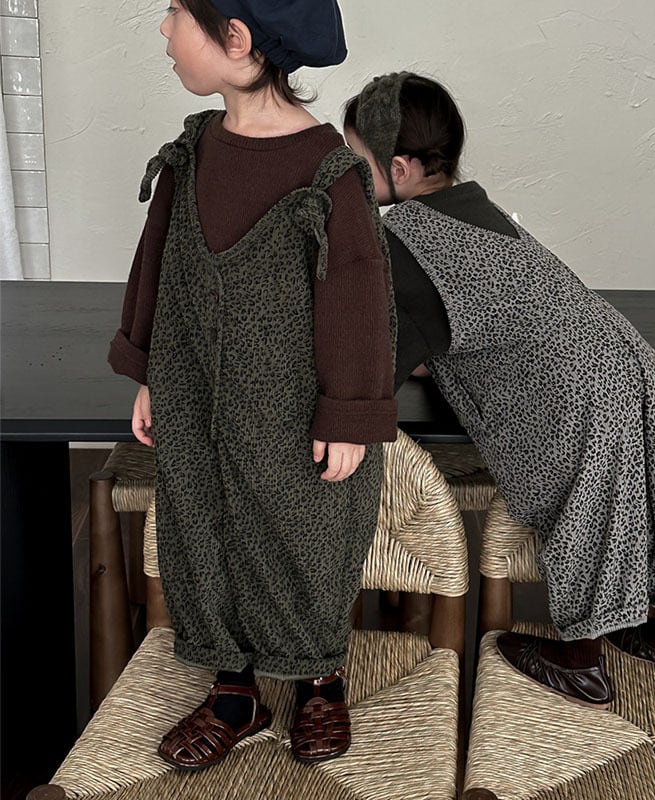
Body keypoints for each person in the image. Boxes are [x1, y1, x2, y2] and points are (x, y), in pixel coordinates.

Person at [343, 72, 655, 710]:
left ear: (400, 169)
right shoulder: (477, 206)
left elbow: (374, 365)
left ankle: (580, 662)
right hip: (628, 360)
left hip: (571, 389)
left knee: (586, 505)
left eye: (356, 160)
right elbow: (482, 313)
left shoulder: (403, 240)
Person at [108, 1, 397, 770]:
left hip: (290, 415)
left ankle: (318, 680)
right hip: (196, 400)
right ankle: (234, 691)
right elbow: (159, 266)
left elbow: (358, 299)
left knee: (300, 542)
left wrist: (349, 414)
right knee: (201, 532)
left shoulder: (328, 170)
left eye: (177, 12)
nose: (164, 29)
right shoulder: (194, 151)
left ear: (236, 39)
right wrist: (150, 373)